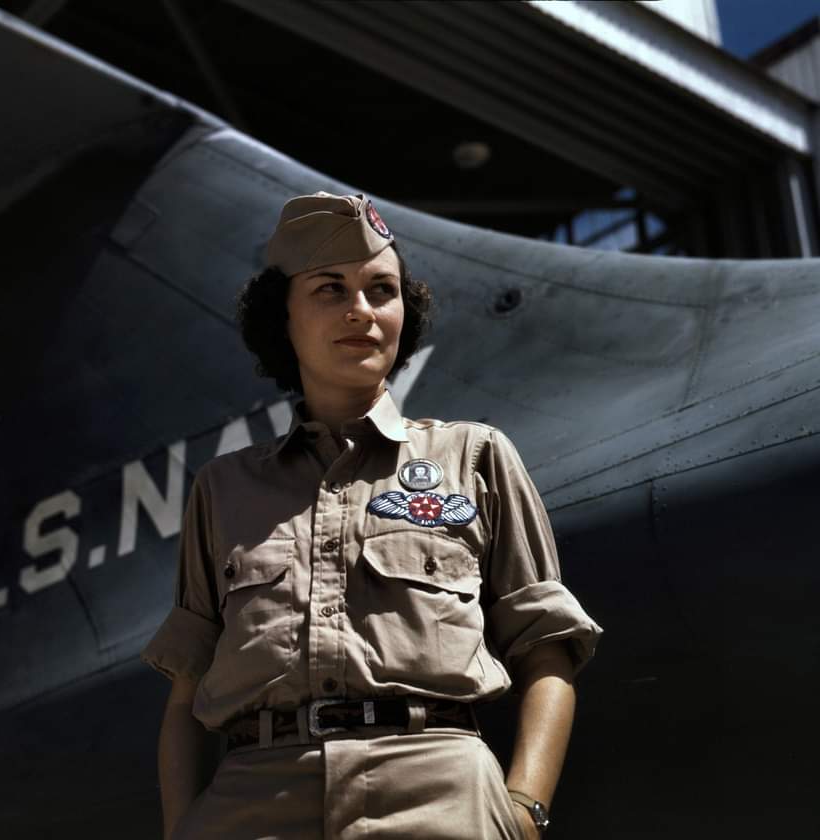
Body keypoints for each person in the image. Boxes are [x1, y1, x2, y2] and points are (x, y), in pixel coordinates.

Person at [141, 192, 603, 839]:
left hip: (440, 796)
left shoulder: (475, 456)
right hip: (252, 800)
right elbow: (188, 695)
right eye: (330, 289)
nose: (361, 310)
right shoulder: (222, 489)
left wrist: (523, 810)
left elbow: (546, 650)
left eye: (380, 290)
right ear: (285, 319)